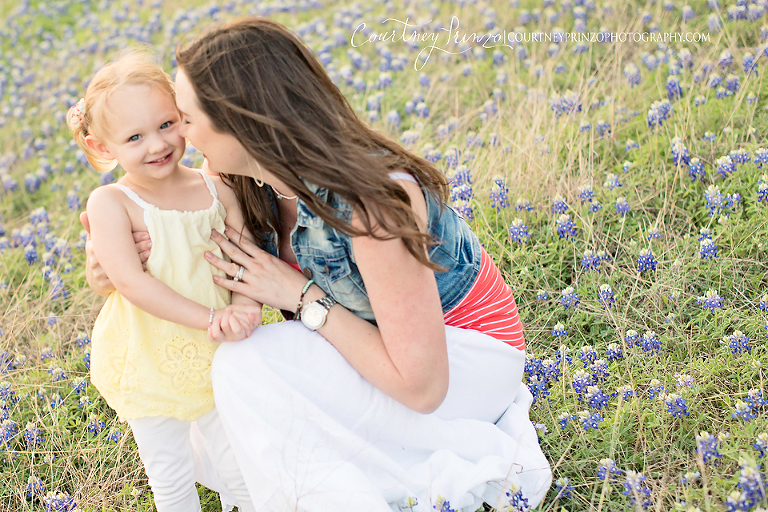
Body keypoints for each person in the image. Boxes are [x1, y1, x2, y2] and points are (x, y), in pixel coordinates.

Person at [84, 17, 552, 511]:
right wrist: (111, 268)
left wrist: (300, 296)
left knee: (245, 372)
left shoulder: (371, 204)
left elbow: (422, 388)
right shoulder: (229, 179)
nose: (177, 135)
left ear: (244, 124)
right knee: (219, 412)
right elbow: (171, 248)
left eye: (184, 118)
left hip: (459, 361)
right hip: (371, 349)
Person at [68, 50, 260, 512]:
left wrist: (244, 307)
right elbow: (129, 282)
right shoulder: (112, 202)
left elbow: (244, 259)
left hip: (220, 353)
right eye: (134, 136)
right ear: (102, 148)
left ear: (183, 118)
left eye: (166, 125)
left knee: (241, 461)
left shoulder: (218, 189)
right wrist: (213, 316)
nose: (157, 145)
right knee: (170, 474)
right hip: (148, 358)